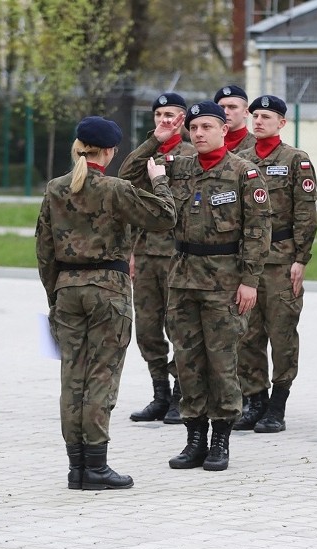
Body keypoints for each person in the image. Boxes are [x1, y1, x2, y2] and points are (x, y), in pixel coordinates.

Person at [36, 116, 177, 490]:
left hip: (67, 288)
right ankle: (96, 465)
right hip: (108, 291)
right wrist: (160, 181)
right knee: (101, 376)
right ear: (111, 151)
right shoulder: (112, 188)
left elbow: (44, 250)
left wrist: (55, 295)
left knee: (72, 378)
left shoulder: (55, 188)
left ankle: (77, 467)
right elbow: (165, 217)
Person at [130, 101, 272, 472]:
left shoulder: (245, 173)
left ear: (224, 129)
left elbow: (258, 233)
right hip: (183, 277)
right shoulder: (177, 167)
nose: (199, 133)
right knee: (189, 361)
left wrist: (249, 281)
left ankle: (220, 439)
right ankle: (194, 438)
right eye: (193, 128)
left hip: (225, 280)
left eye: (207, 127)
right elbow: (128, 177)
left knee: (222, 362)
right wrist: (155, 140)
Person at [234, 95, 317, 433]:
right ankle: (254, 399)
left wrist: (301, 258)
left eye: (266, 117)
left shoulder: (296, 160)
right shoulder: (239, 160)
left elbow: (306, 213)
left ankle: (277, 404)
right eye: (255, 116)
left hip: (283, 259)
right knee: (247, 334)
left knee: (282, 333)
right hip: (248, 261)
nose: (258, 122)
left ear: (282, 123)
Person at [120, 92, 196, 426]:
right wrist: (154, 141)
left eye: (172, 115)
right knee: (148, 329)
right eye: (159, 115)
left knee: (180, 326)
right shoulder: (147, 154)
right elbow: (124, 178)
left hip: (180, 254)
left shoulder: (194, 154)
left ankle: (183, 394)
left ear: (183, 119)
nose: (164, 120)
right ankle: (160, 393)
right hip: (148, 254)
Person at [215, 84, 256, 154]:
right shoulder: (207, 143)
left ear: (246, 112)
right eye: (221, 107)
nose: (225, 112)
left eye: (232, 107)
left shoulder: (258, 146)